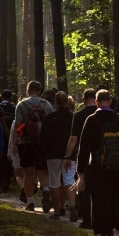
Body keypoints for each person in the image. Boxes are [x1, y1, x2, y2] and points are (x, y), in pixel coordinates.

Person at [76, 90, 119, 236]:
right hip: (117, 166)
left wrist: (81, 171)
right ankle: (113, 225)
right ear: (110, 101)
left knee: (100, 197)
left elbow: (83, 147)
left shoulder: (91, 120)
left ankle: (102, 228)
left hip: (97, 166)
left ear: (96, 102)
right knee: (115, 195)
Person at [14, 80, 54, 211]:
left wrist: (15, 142)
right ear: (40, 91)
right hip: (43, 144)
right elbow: (51, 124)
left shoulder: (21, 105)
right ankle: (46, 190)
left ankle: (30, 201)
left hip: (26, 143)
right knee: (43, 171)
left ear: (28, 90)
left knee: (28, 173)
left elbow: (17, 126)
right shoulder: (47, 104)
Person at [38, 91, 75, 221]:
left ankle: (57, 211)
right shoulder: (73, 118)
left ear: (55, 102)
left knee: (54, 182)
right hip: (69, 155)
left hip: (53, 154)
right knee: (69, 180)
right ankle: (72, 206)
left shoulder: (50, 118)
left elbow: (44, 138)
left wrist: (41, 155)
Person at [64, 88, 98, 227]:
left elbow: (73, 138)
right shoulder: (102, 113)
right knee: (99, 188)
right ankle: (98, 219)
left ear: (84, 100)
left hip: (83, 154)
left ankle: (86, 220)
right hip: (101, 155)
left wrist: (67, 156)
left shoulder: (79, 115)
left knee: (83, 185)